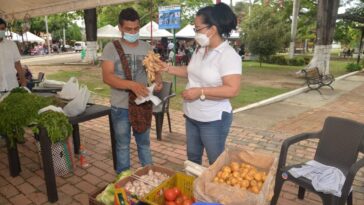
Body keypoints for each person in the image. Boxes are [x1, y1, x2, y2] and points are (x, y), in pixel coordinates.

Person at [161, 3, 242, 165]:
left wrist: (200, 92)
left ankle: (213, 190)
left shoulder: (228, 55)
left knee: (216, 162)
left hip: (214, 119)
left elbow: (232, 90)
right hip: (192, 115)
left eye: (197, 29)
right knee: (192, 158)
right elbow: (192, 71)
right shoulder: (200, 49)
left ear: (212, 29)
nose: (195, 33)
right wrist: (168, 68)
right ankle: (194, 187)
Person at [100, 8, 163, 175]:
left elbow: (156, 70)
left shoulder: (146, 47)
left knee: (144, 143)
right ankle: (123, 179)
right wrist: (131, 85)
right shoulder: (111, 48)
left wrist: (158, 81)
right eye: (128, 29)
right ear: (120, 28)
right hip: (120, 106)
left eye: (136, 28)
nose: (133, 32)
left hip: (142, 104)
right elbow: (107, 77)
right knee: (122, 145)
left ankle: (150, 177)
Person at [0, 18, 26, 94]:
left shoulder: (11, 44)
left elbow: (17, 63)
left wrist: (23, 79)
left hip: (12, 85)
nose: (0, 31)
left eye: (2, 29)